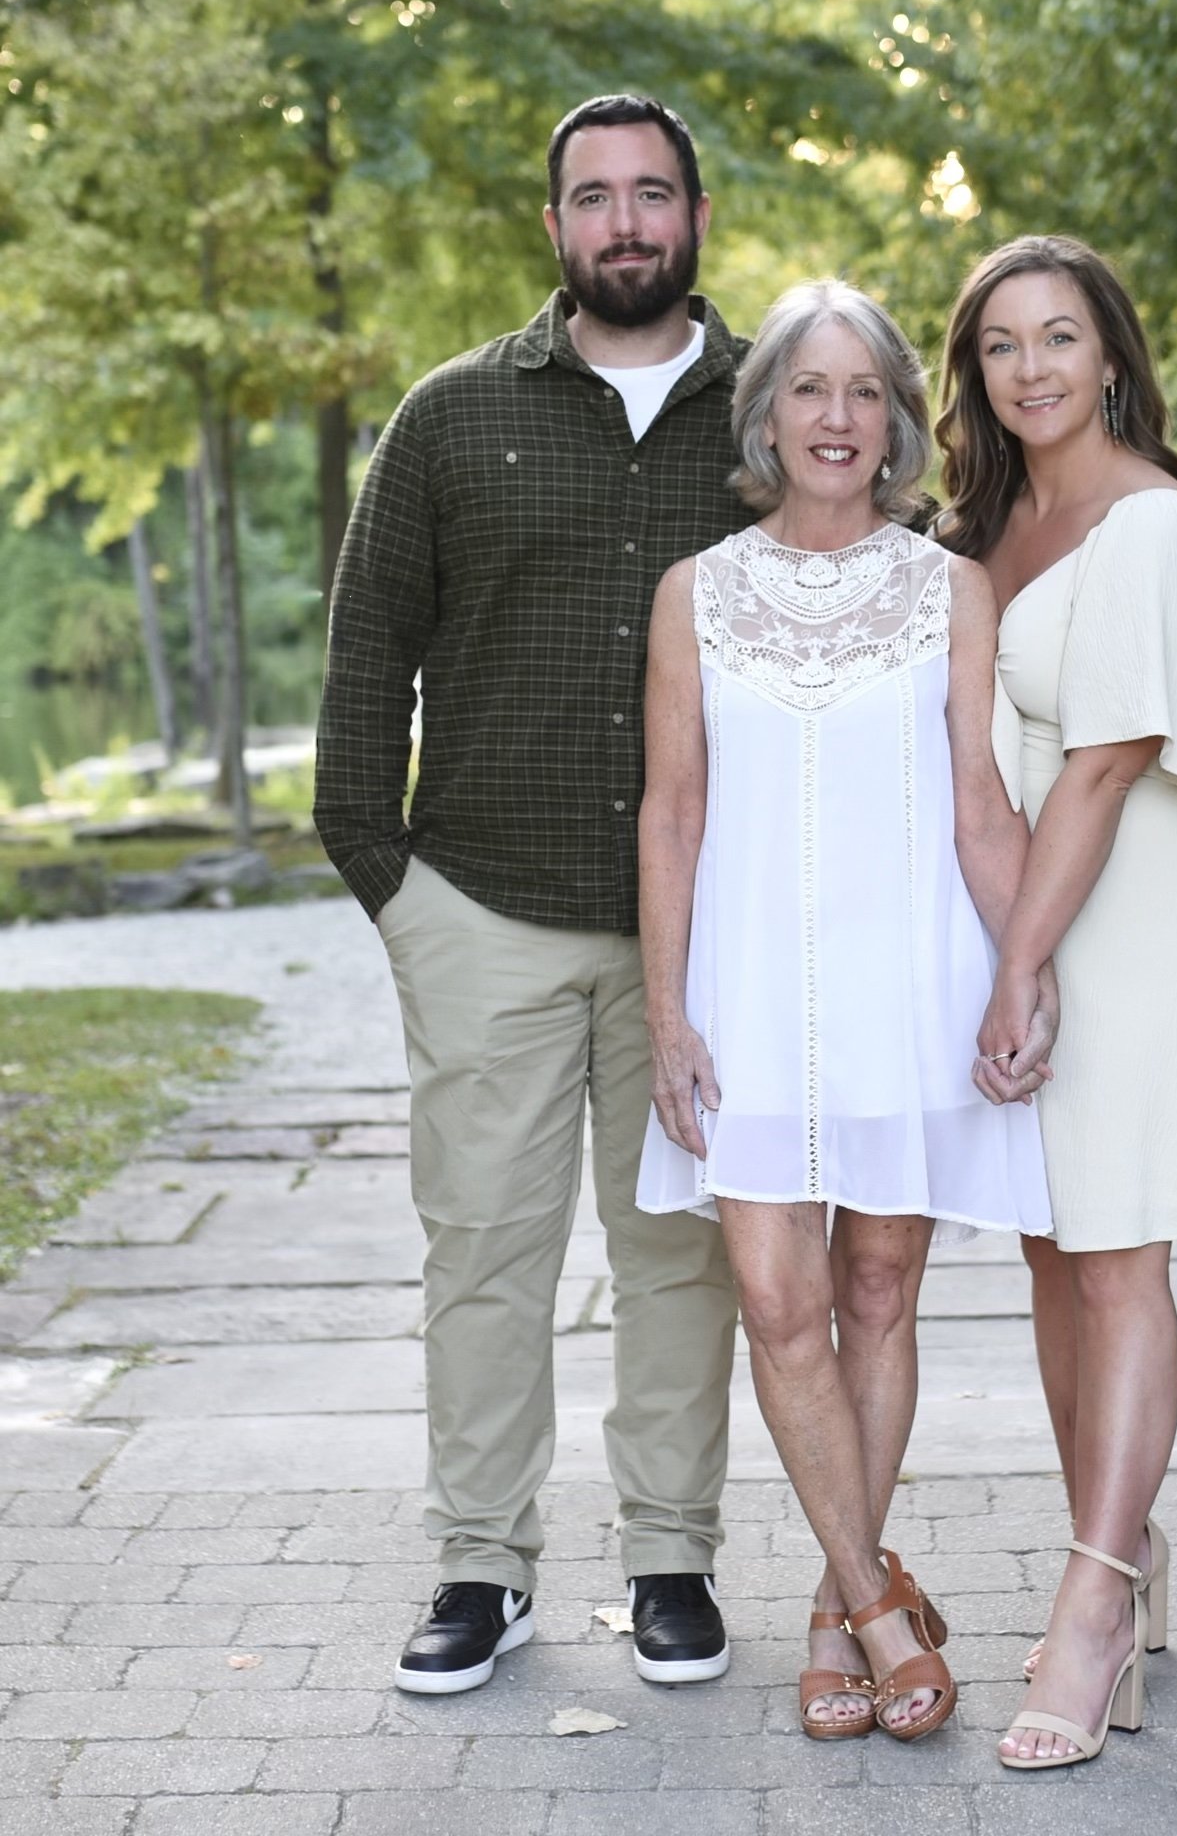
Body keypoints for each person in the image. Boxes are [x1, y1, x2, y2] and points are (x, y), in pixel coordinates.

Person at [313, 93, 752, 1697]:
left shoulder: (773, 415)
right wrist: (391, 883)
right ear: (553, 225)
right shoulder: (446, 416)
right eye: (592, 196)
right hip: (482, 908)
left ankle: (668, 1562)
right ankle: (481, 1568)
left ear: (695, 215)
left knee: (680, 1255)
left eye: (651, 193)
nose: (623, 221)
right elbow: (368, 660)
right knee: (483, 1251)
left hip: (698, 932)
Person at [636, 279, 1054, 1745]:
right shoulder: (694, 590)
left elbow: (981, 806)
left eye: (862, 392)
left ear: (894, 421)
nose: (834, 418)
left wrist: (1020, 970)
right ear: (765, 418)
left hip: (905, 984)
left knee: (877, 1290)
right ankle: (882, 1600)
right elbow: (671, 810)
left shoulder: (953, 589)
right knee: (777, 1299)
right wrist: (665, 1013)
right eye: (806, 391)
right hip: (742, 996)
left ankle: (830, 1609)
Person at [937, 233, 1177, 1772]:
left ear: (1111, 354)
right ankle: (1126, 1546)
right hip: (1026, 909)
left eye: (1060, 338)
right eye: (1002, 345)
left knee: (1117, 1254)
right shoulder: (996, 520)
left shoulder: (1149, 526)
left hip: (1120, 919)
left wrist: (1024, 962)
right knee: (1048, 1246)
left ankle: (1089, 1610)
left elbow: (1103, 759)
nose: (1032, 369)